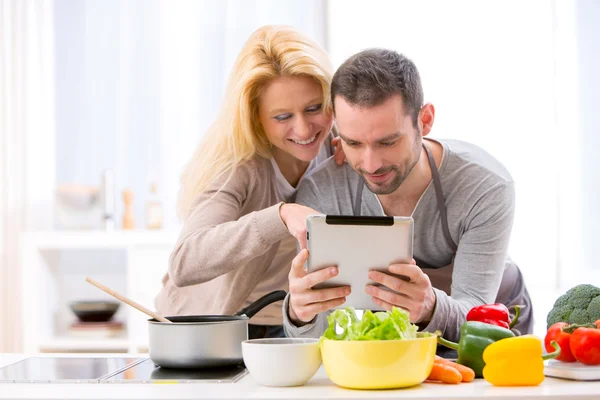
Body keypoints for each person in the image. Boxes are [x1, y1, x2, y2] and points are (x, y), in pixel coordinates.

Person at [282, 49, 533, 344]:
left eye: (388, 142)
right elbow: (320, 333)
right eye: (353, 142)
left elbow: (476, 312)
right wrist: (300, 312)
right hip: (394, 338)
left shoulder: (485, 184)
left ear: (424, 121)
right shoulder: (322, 190)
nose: (371, 163)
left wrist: (429, 307)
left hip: (494, 327)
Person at [155, 25, 343, 339]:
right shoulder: (237, 166)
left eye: (314, 108)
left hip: (293, 323)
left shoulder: (335, 143)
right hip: (212, 330)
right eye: (282, 117)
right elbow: (184, 261)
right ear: (255, 116)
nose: (304, 128)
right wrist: (279, 216)